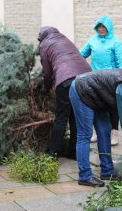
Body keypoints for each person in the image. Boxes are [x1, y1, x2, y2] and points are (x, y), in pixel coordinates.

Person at [38, 26, 92, 160]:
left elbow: (47, 71)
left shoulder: (45, 44)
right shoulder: (64, 38)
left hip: (67, 80)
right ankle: (74, 152)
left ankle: (53, 153)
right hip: (87, 79)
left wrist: (46, 87)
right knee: (75, 117)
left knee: (61, 117)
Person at [80, 15, 122, 146]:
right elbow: (80, 55)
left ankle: (114, 133)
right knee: (95, 105)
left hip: (111, 80)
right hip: (94, 79)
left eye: (104, 26)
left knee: (112, 106)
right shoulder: (92, 40)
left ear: (109, 27)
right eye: (99, 26)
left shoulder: (116, 42)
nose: (101, 29)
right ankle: (96, 131)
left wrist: (121, 80)